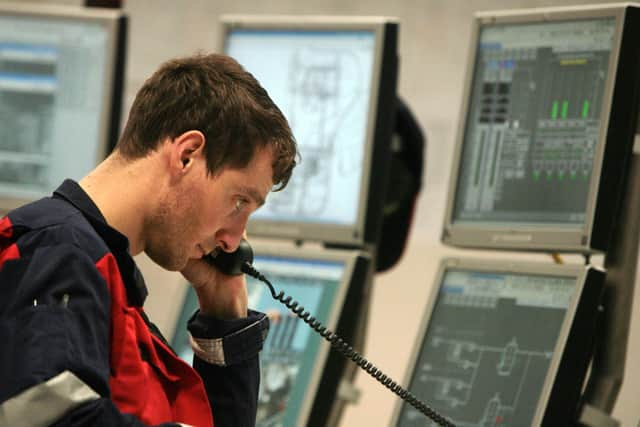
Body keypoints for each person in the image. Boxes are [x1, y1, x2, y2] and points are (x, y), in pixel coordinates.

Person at [0, 53, 297, 427]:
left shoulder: (101, 276)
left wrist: (226, 319)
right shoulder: (55, 251)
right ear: (187, 155)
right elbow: (51, 420)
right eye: (239, 201)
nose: (233, 241)